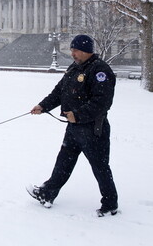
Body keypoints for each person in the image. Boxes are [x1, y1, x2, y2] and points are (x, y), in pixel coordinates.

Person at [29, 34, 119, 217]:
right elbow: (59, 91)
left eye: (75, 50)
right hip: (74, 128)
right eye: (71, 50)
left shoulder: (100, 70)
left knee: (100, 166)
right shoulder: (74, 68)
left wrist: (78, 115)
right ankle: (47, 193)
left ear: (86, 51)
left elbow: (102, 102)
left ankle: (110, 204)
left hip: (94, 129)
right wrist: (43, 106)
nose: (72, 53)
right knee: (64, 162)